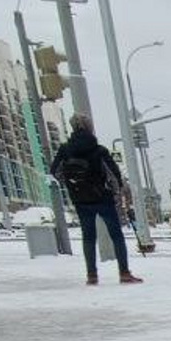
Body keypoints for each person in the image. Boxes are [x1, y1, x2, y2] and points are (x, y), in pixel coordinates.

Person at [50, 114, 142, 286]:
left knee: (88, 237)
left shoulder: (65, 150)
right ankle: (124, 272)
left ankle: (91, 275)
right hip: (103, 197)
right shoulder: (98, 149)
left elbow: (54, 171)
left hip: (80, 199)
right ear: (89, 127)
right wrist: (117, 190)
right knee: (116, 235)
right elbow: (114, 173)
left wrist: (71, 184)